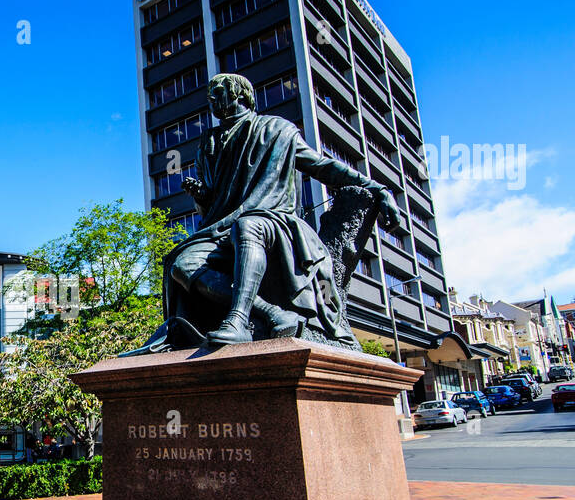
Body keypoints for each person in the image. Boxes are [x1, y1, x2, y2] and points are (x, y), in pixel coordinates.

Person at [138, 73, 405, 351]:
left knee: (247, 226)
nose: (212, 101)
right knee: (181, 263)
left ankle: (238, 321)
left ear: (240, 95)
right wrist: (202, 196)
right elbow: (211, 208)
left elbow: (321, 166)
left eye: (217, 93)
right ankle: (272, 313)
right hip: (221, 227)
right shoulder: (210, 142)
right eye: (210, 96)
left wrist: (377, 188)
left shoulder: (276, 130)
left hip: (272, 219)